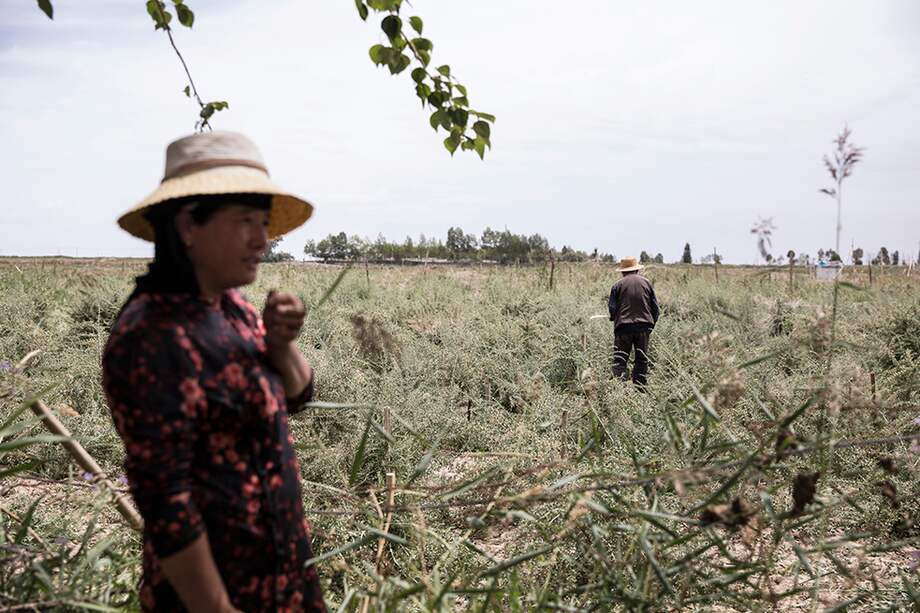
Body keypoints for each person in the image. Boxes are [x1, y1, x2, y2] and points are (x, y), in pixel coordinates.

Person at [102, 131, 327, 612]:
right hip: (215, 592)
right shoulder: (151, 336)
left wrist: (282, 345)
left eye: (264, 223)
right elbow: (166, 499)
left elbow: (298, 395)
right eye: (245, 221)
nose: (262, 240)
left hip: (283, 576)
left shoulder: (233, 308)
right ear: (188, 225)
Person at [608, 256, 660, 388]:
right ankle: (640, 389)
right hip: (643, 327)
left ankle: (619, 390)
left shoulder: (617, 285)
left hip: (623, 328)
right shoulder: (647, 283)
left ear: (623, 271)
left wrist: (614, 317)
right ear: (637, 270)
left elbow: (612, 309)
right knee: (641, 360)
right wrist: (650, 325)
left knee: (620, 361)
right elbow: (655, 309)